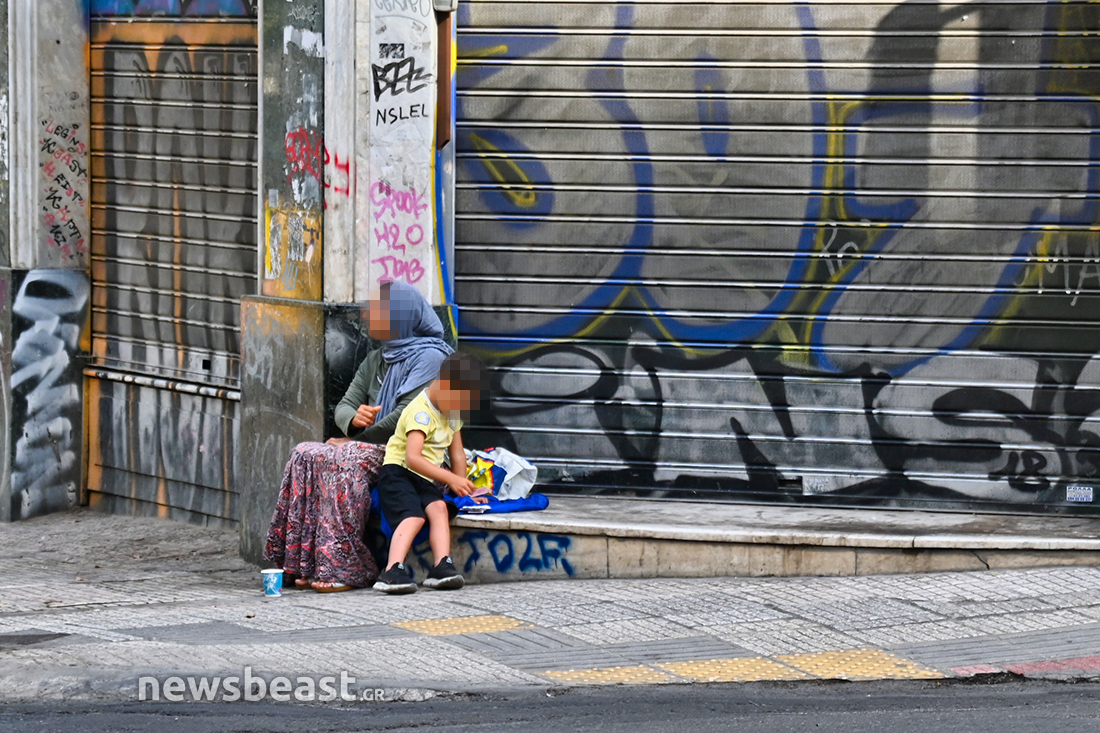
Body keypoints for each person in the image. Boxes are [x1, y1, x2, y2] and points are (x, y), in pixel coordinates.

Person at [264, 281, 453, 592]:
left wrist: (354, 440)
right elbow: (344, 405)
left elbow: (404, 418)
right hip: (375, 446)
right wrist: (353, 418)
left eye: (378, 310)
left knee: (346, 457)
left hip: (412, 455)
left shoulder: (430, 358)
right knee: (305, 453)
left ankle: (344, 566)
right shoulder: (378, 358)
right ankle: (300, 562)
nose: (367, 316)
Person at [372, 352, 490, 594]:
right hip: (398, 473)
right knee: (414, 516)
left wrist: (465, 488)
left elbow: (457, 454)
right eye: (458, 402)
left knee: (439, 509)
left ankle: (441, 566)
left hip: (424, 478)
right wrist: (450, 478)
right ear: (445, 386)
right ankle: (392, 570)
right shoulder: (421, 412)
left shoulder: (452, 412)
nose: (458, 409)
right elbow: (412, 458)